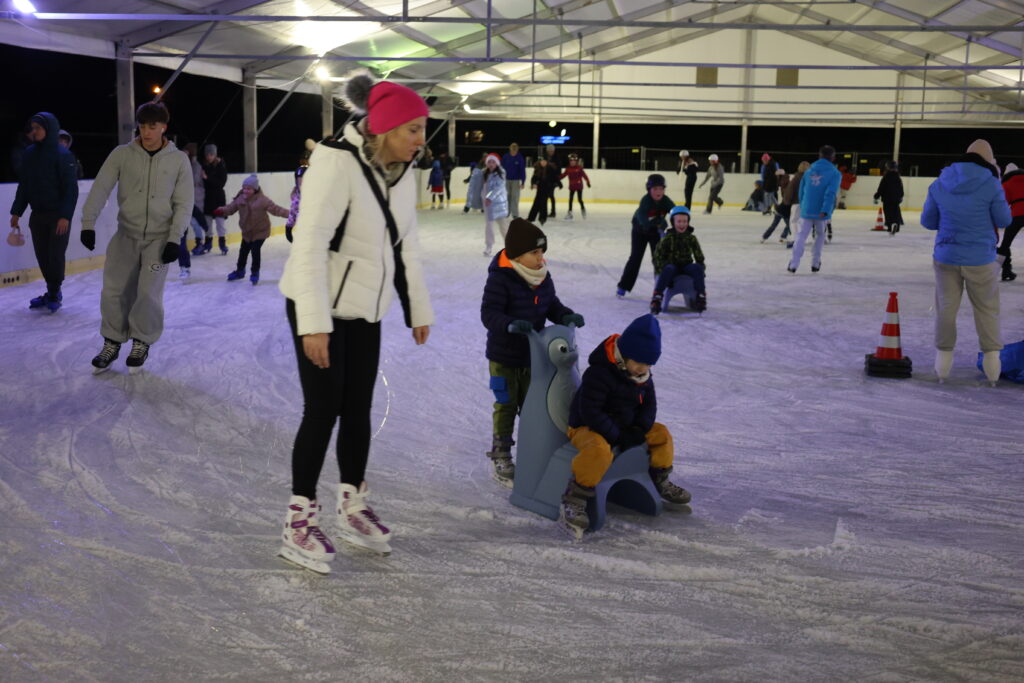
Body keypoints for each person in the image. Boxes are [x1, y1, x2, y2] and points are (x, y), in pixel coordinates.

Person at [276, 73, 434, 572]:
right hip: (318, 303)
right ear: (384, 128)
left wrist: (417, 309)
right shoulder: (335, 162)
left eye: (421, 129)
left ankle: (352, 505)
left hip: (367, 307)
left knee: (359, 408)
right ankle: (298, 519)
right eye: (411, 129)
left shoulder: (404, 173)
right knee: (322, 410)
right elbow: (309, 245)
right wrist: (313, 323)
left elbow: (404, 244)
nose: (419, 139)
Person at [80, 101, 193, 374]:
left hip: (159, 239)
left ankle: (141, 341)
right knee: (113, 291)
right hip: (126, 236)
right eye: (142, 126)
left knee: (148, 294)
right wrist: (88, 223)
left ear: (164, 127)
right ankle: (112, 341)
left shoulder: (178, 160)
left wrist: (174, 239)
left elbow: (184, 202)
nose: (146, 131)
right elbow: (101, 188)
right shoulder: (122, 154)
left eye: (152, 126)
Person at [560, 313, 690, 538]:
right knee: (599, 451)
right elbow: (590, 412)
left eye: (648, 364)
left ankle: (660, 478)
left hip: (624, 426)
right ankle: (576, 497)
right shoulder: (599, 373)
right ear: (625, 355)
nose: (642, 369)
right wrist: (618, 435)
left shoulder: (643, 376)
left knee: (661, 434)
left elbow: (649, 406)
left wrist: (639, 429)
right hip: (586, 427)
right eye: (638, 362)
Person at [480, 218, 583, 488]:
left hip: (533, 357)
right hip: (503, 357)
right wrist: (510, 325)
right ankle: (501, 454)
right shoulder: (501, 278)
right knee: (506, 405)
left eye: (542, 252)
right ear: (517, 255)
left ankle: (532, 453)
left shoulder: (542, 277)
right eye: (534, 253)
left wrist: (565, 315)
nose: (541, 258)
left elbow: (552, 305)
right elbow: (489, 314)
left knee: (533, 407)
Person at [921, 140, 1012, 385]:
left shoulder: (939, 182)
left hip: (946, 256)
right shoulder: (991, 184)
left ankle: (942, 367)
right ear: (988, 161)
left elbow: (928, 221)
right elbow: (1004, 219)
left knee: (946, 309)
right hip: (980, 259)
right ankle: (993, 367)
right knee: (987, 310)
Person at [8, 112, 79, 313]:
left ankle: (55, 292)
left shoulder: (63, 155)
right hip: (37, 215)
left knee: (55, 256)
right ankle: (51, 291)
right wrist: (17, 212)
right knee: (43, 256)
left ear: (49, 130)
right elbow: (25, 185)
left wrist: (65, 216)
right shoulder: (29, 153)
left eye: (38, 128)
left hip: (58, 216)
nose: (34, 131)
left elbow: (70, 190)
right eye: (33, 128)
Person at [215, 174, 289, 285]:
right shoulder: (240, 199)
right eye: (244, 188)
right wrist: (222, 210)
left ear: (255, 189)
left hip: (261, 231)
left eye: (248, 189)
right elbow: (231, 208)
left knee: (255, 251)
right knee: (243, 252)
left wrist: (291, 214)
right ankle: (240, 271)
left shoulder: (262, 200)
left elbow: (276, 210)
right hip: (247, 232)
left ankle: (255, 273)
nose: (245, 191)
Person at [615, 173, 674, 297]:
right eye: (655, 189)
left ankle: (661, 287)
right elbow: (642, 217)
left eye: (661, 189)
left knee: (659, 259)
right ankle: (623, 286)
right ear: (649, 190)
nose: (658, 192)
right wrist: (658, 223)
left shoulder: (665, 200)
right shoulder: (646, 200)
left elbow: (675, 211)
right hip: (640, 231)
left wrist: (679, 220)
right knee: (635, 258)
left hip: (655, 232)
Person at [788, 145, 841, 274]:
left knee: (801, 235)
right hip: (822, 212)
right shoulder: (835, 173)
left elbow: (802, 191)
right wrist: (826, 210)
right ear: (833, 157)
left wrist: (804, 205)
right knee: (820, 235)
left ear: (819, 156)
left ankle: (794, 263)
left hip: (806, 209)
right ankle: (815, 262)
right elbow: (830, 193)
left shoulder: (809, 170)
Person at [649, 205, 706, 314]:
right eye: (679, 221)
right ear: (673, 222)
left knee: (697, 268)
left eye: (685, 221)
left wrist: (701, 268)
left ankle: (700, 295)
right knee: (668, 269)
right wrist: (662, 271)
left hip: (686, 266)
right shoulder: (667, 238)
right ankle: (657, 296)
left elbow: (699, 256)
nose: (682, 224)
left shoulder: (691, 238)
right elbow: (657, 257)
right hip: (672, 265)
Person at [997, 162, 1024, 281]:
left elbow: (1003, 205)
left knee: (1005, 244)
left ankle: (1006, 270)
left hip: (1016, 215)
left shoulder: (1006, 184)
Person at [201, 144, 228, 255]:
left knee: (220, 223)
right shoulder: (205, 166)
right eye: (207, 154)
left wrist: (207, 178)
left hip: (218, 199)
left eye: (211, 154)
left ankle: (222, 243)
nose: (209, 157)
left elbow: (221, 183)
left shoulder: (221, 166)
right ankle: (208, 243)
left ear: (215, 154)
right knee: (207, 223)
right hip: (208, 198)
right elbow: (203, 184)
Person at [481, 152, 510, 256]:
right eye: (489, 162)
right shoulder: (484, 173)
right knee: (489, 226)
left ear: (497, 163)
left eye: (493, 162)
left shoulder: (501, 172)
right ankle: (489, 246)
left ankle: (510, 246)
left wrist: (489, 197)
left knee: (503, 225)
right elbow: (482, 188)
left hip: (499, 203)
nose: (491, 164)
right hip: (488, 204)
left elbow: (499, 187)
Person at [873, 160, 904, 235]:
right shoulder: (898, 177)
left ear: (888, 167)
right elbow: (901, 188)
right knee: (895, 212)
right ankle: (896, 224)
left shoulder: (886, 177)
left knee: (888, 212)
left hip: (887, 198)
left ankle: (890, 226)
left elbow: (881, 188)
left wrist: (876, 196)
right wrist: (900, 196)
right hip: (896, 199)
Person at [762, 168, 792, 243]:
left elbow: (786, 197)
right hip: (784, 209)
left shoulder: (783, 184)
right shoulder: (786, 183)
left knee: (774, 225)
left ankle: (764, 237)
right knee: (790, 225)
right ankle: (783, 236)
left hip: (781, 208)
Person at [559, 154, 591, 220]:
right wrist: (557, 178)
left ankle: (583, 209)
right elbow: (563, 175)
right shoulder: (568, 169)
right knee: (570, 200)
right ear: (569, 161)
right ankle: (570, 213)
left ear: (576, 162)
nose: (572, 162)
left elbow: (584, 176)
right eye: (571, 161)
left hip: (579, 186)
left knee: (580, 199)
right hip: (572, 186)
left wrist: (588, 182)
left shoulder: (579, 168)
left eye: (574, 161)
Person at [527, 158, 556, 225]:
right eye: (542, 161)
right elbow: (534, 178)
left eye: (544, 161)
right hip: (540, 188)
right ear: (540, 162)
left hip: (547, 188)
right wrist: (533, 183)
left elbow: (553, 178)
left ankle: (542, 218)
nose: (543, 163)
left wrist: (555, 184)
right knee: (536, 202)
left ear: (547, 162)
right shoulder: (537, 168)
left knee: (543, 202)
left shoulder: (550, 169)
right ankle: (531, 218)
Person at [501, 142, 526, 218]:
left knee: (515, 197)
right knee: (506, 196)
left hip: (516, 180)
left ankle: (515, 214)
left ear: (517, 150)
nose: (514, 151)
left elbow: (522, 170)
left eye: (515, 150)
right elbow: (501, 169)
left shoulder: (520, 158)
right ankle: (506, 212)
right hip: (506, 180)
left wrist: (523, 181)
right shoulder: (505, 157)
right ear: (510, 149)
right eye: (512, 149)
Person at [285, 166, 306, 244]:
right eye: (299, 180)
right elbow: (293, 213)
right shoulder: (296, 197)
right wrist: (288, 228)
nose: (300, 182)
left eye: (302, 179)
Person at [543, 144, 562, 218]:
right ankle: (545, 211)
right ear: (547, 151)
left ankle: (553, 212)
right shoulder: (544, 157)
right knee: (546, 196)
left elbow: (558, 170)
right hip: (546, 180)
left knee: (551, 195)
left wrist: (557, 180)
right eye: (549, 151)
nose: (551, 152)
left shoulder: (557, 158)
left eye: (552, 151)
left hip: (553, 180)